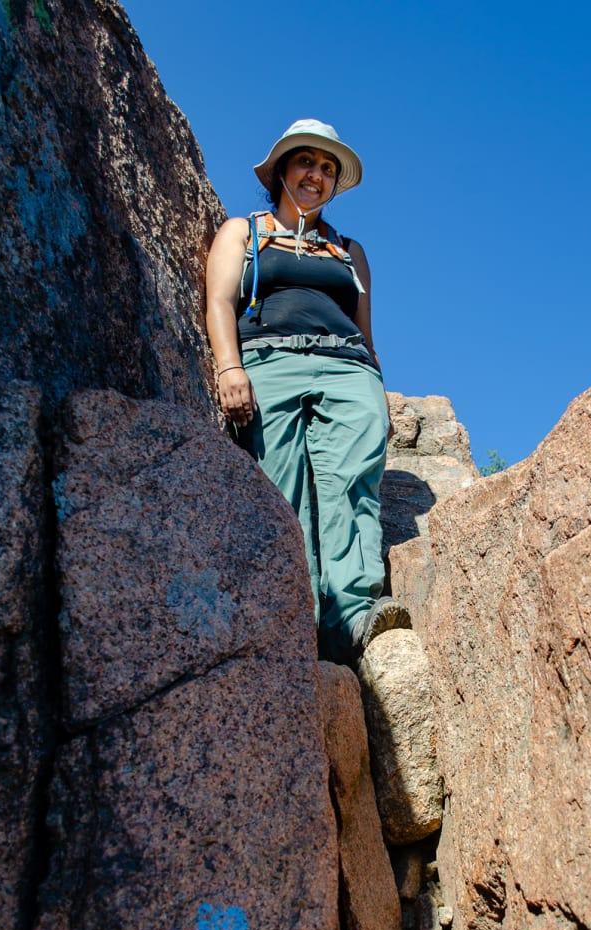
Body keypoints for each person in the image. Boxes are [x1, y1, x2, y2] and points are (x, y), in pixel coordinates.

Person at [206, 119, 411, 663]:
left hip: (347, 368)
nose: (315, 175)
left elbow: (366, 333)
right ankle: (295, 621)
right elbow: (220, 302)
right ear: (281, 170)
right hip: (269, 361)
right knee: (281, 489)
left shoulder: (348, 251)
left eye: (327, 169)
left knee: (351, 484)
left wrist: (378, 390)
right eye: (306, 162)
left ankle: (353, 617)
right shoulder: (242, 231)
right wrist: (230, 368)